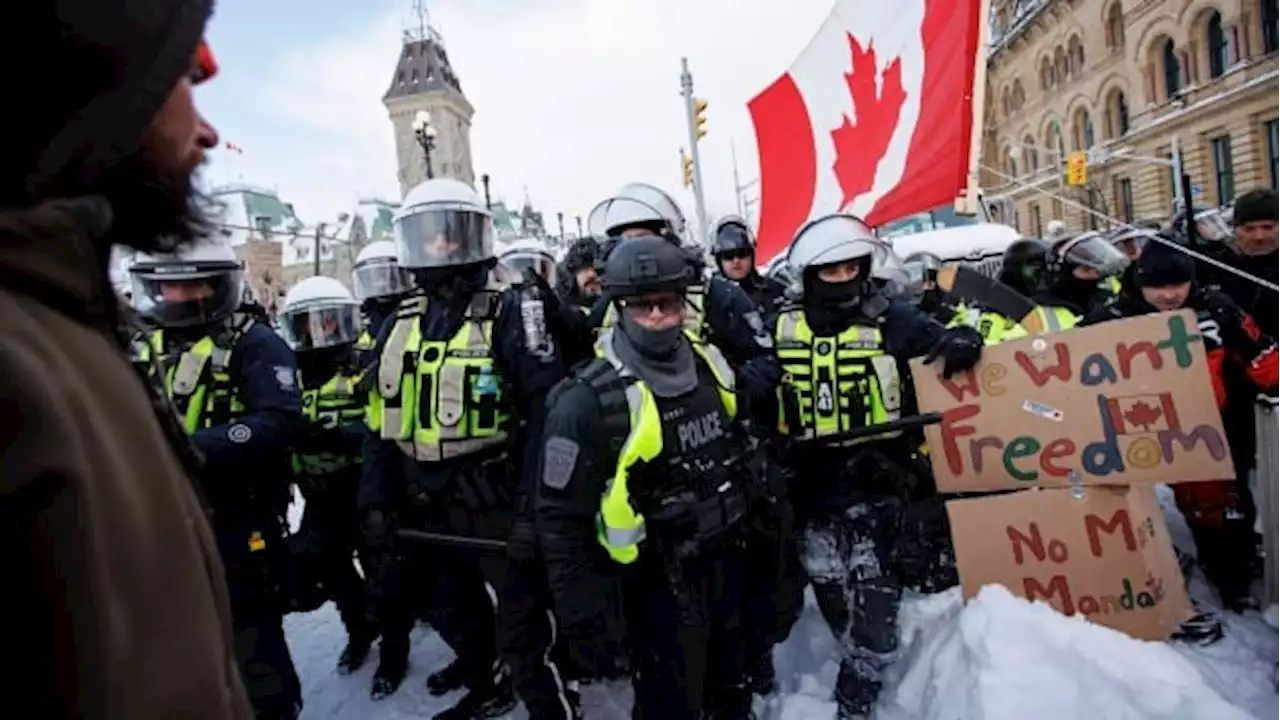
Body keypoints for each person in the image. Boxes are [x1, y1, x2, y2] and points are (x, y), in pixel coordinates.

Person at [0, 6, 252, 717]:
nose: (206, 131)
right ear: (97, 91)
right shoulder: (23, 362)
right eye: (185, 75)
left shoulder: (62, 326)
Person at [360, 178, 568, 719]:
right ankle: (485, 678)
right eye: (428, 237)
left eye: (451, 235)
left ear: (474, 238)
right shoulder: (399, 322)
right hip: (425, 502)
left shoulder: (513, 309)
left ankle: (551, 707)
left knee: (523, 628)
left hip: (495, 495)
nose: (440, 247)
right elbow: (379, 420)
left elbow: (546, 413)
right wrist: (375, 501)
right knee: (453, 609)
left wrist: (530, 514)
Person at [537, 235, 762, 718]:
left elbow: (743, 452)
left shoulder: (711, 365)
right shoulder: (585, 401)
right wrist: (589, 626)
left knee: (733, 694)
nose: (657, 316)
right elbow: (559, 525)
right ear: (617, 306)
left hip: (725, 567)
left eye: (667, 303)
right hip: (652, 590)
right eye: (641, 306)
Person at [768, 214, 982, 719]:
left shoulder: (892, 318)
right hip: (809, 478)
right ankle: (848, 647)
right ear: (809, 275)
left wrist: (962, 341)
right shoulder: (779, 323)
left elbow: (942, 339)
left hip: (877, 475)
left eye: (851, 268)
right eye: (831, 271)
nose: (842, 279)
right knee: (827, 580)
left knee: (875, 588)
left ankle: (861, 682)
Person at [129, 238, 304, 719]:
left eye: (192, 284)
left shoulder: (253, 341)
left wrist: (195, 448)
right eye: (170, 286)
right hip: (159, 516)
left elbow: (280, 419)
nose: (180, 296)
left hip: (237, 511)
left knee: (252, 640)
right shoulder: (143, 341)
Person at [1083, 241, 1280, 613]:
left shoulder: (1217, 309)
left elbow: (1265, 358)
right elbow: (1063, 365)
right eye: (1158, 286)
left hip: (1205, 428)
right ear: (1140, 285)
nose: (1170, 295)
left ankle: (1230, 577)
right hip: (1133, 428)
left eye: (1179, 284)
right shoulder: (1112, 317)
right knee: (1117, 506)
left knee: (1218, 508)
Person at [276, 276, 375, 673]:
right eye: (311, 323)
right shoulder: (288, 374)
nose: (321, 332)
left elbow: (384, 424)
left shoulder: (363, 363)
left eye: (329, 321)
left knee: (382, 567)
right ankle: (359, 630)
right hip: (316, 492)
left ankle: (394, 645)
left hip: (361, 485)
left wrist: (338, 436)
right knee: (334, 570)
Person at [710, 214, 787, 320]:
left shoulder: (774, 290)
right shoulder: (711, 298)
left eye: (742, 253)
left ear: (752, 255)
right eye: (728, 256)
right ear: (719, 260)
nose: (736, 261)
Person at [352, 239, 415, 360]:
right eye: (375, 276)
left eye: (388, 276)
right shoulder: (358, 321)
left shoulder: (417, 312)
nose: (381, 282)